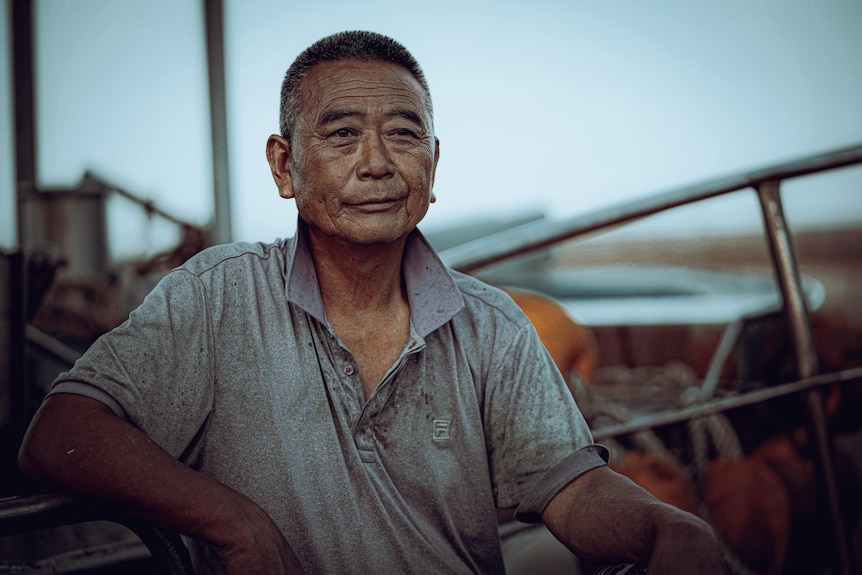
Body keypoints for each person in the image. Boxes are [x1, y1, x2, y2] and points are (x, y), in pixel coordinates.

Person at [18, 31, 729, 574]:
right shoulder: (218, 297)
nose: (378, 162)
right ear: (284, 165)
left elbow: (571, 490)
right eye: (342, 133)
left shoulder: (490, 325)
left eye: (403, 132)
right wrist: (234, 520)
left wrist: (666, 526)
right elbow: (61, 431)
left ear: (433, 163)